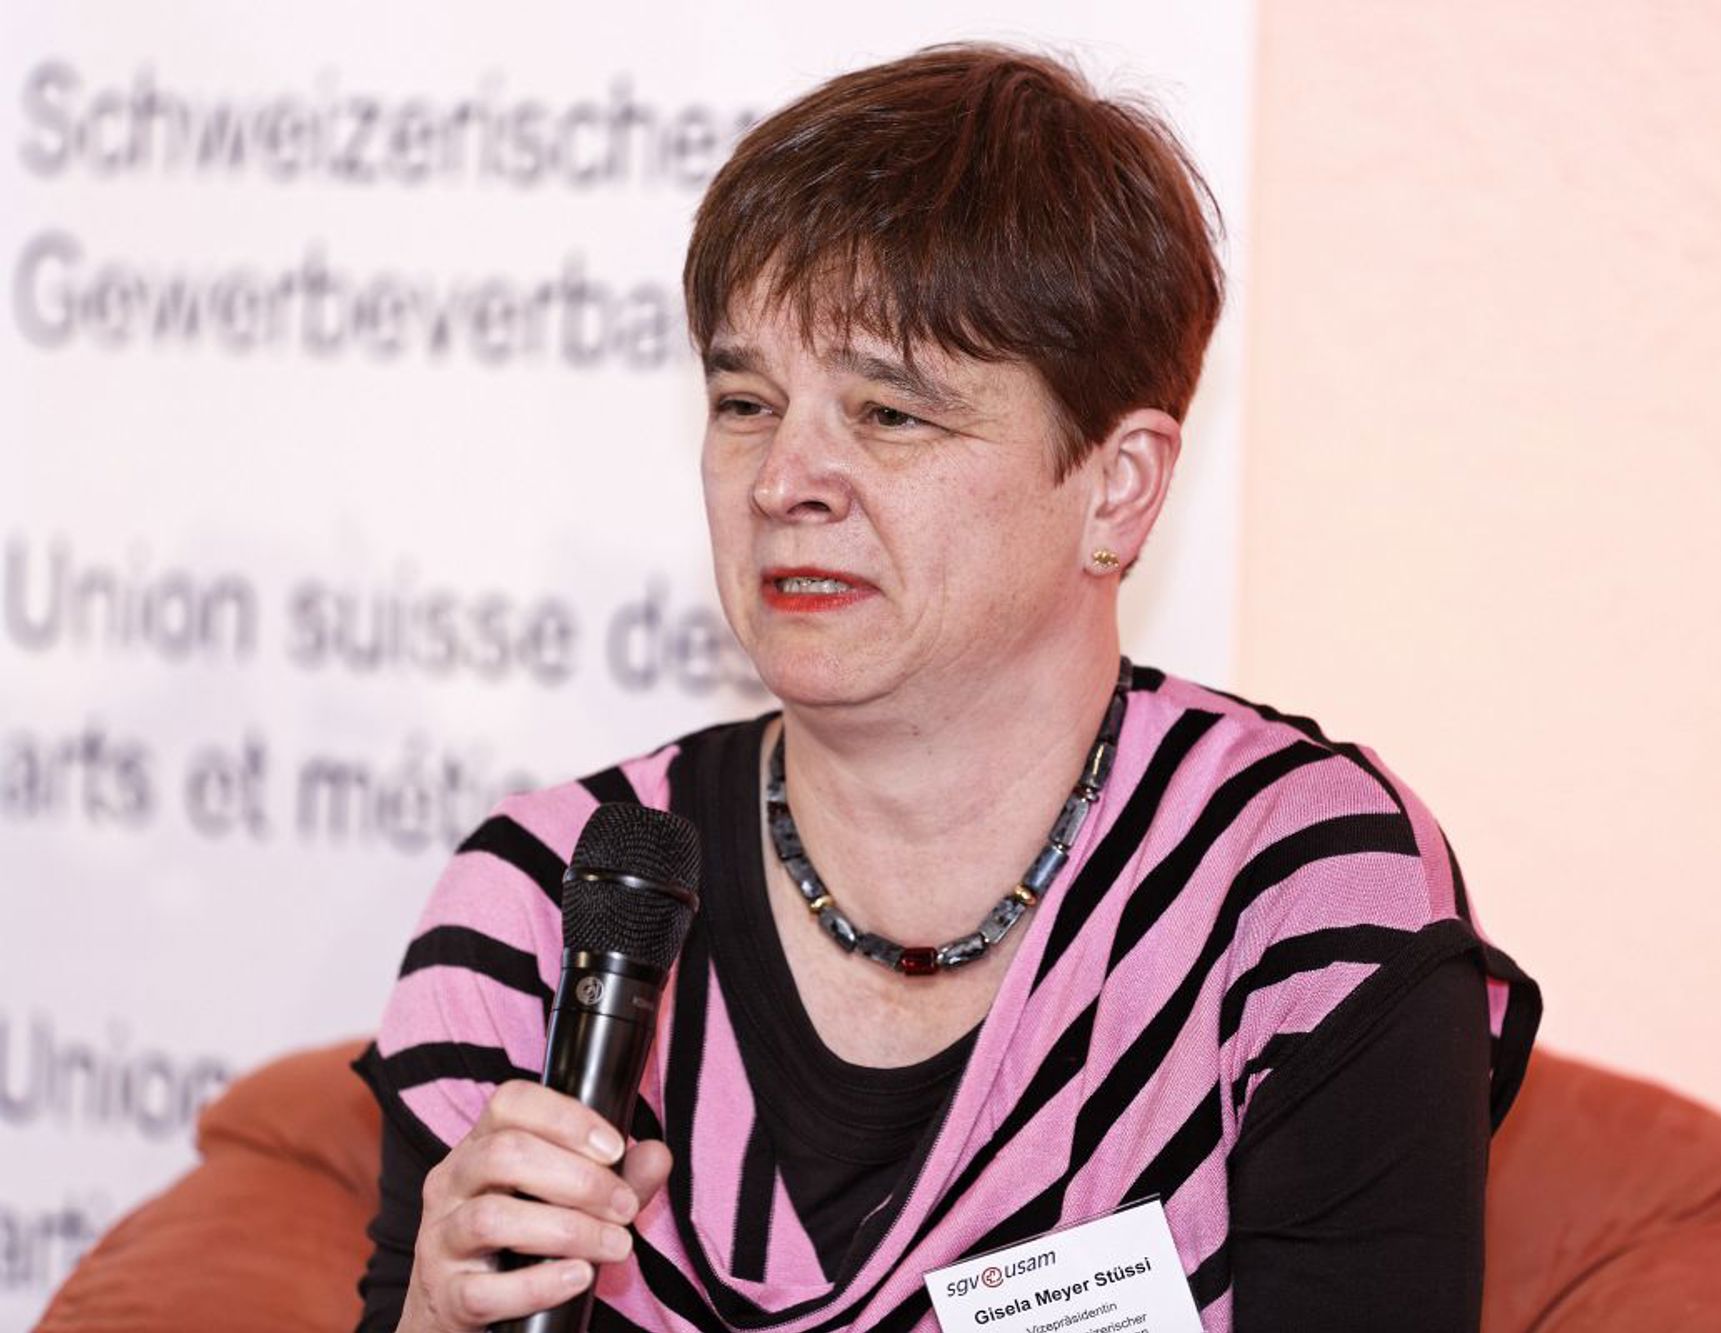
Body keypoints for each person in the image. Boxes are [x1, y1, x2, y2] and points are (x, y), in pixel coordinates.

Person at [354, 43, 1540, 1333]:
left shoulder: (1297, 893)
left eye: (891, 415)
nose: (782, 482)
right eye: (745, 402)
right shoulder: (549, 898)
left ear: (1118, 486)